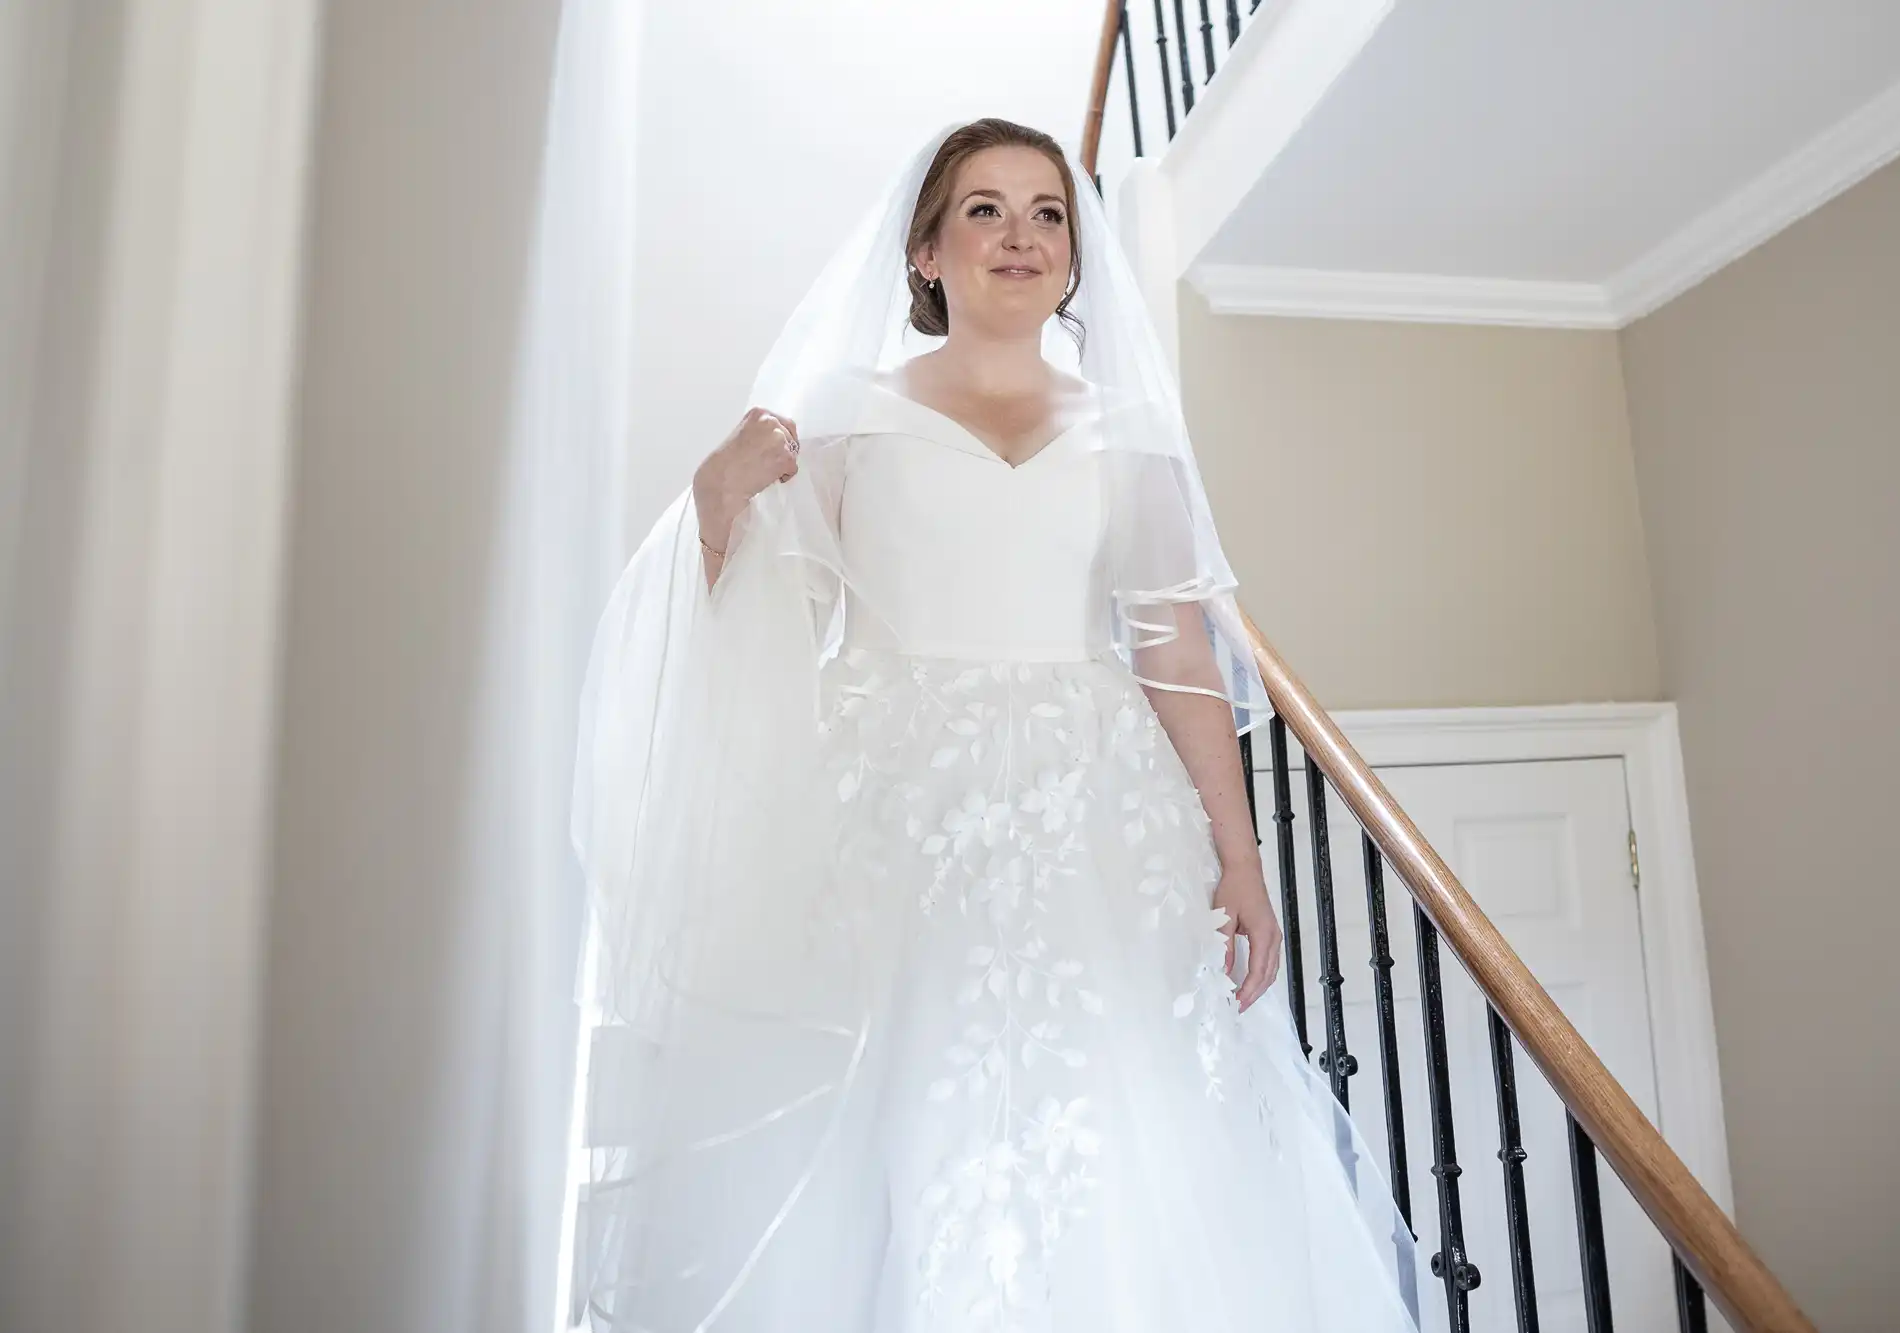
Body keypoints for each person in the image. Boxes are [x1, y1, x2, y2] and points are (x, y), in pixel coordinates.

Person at [570, 117, 1421, 1333]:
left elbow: (1173, 649)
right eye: (983, 209)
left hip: (1095, 804)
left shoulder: (1127, 431)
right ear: (924, 252)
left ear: (1074, 256)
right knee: (905, 1114)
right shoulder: (844, 416)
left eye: (1047, 212)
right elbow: (759, 610)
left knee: (1116, 1117)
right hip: (891, 808)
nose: (1019, 236)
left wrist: (1236, 852)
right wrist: (712, 501)